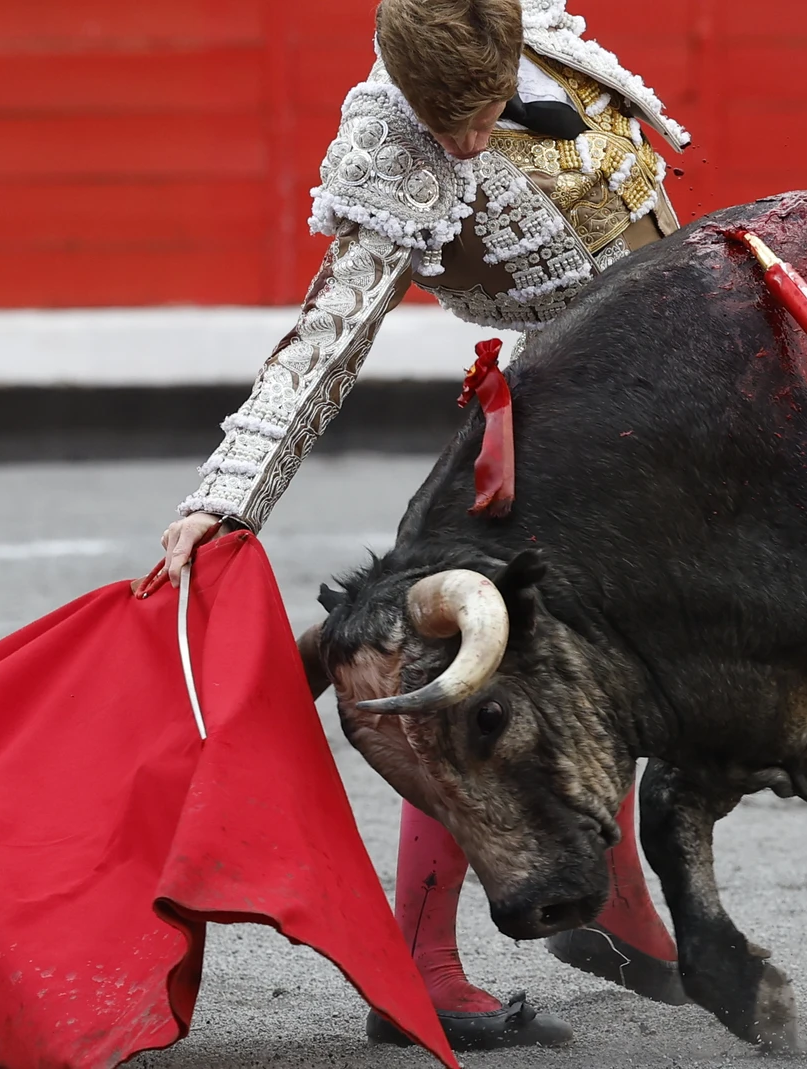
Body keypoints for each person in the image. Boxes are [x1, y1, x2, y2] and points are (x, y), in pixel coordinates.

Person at [153, 0, 690, 1051]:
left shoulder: (524, 22)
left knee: (626, 660)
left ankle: (618, 904)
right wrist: (224, 500)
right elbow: (326, 339)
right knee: (469, 674)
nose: (467, 145)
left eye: (484, 114)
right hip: (559, 428)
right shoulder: (387, 145)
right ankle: (424, 962)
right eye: (445, 124)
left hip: (668, 398)